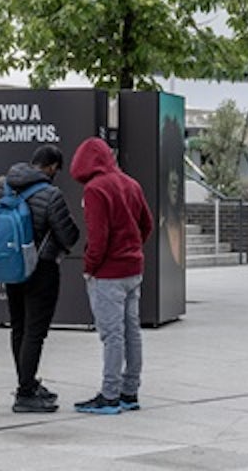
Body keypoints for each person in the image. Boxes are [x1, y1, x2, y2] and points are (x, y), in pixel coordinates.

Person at [69, 137, 153, 415]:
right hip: (133, 269)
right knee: (132, 332)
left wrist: (89, 268)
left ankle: (109, 395)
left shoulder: (95, 189)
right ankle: (130, 391)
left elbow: (98, 236)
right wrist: (132, 247)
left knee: (112, 335)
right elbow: (147, 224)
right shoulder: (131, 184)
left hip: (108, 273)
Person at [2, 144, 81, 413]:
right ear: (51, 167)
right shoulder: (51, 194)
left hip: (12, 269)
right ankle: (25, 393)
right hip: (41, 269)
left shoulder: (8, 188)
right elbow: (68, 234)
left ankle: (27, 382)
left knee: (19, 327)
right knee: (35, 332)